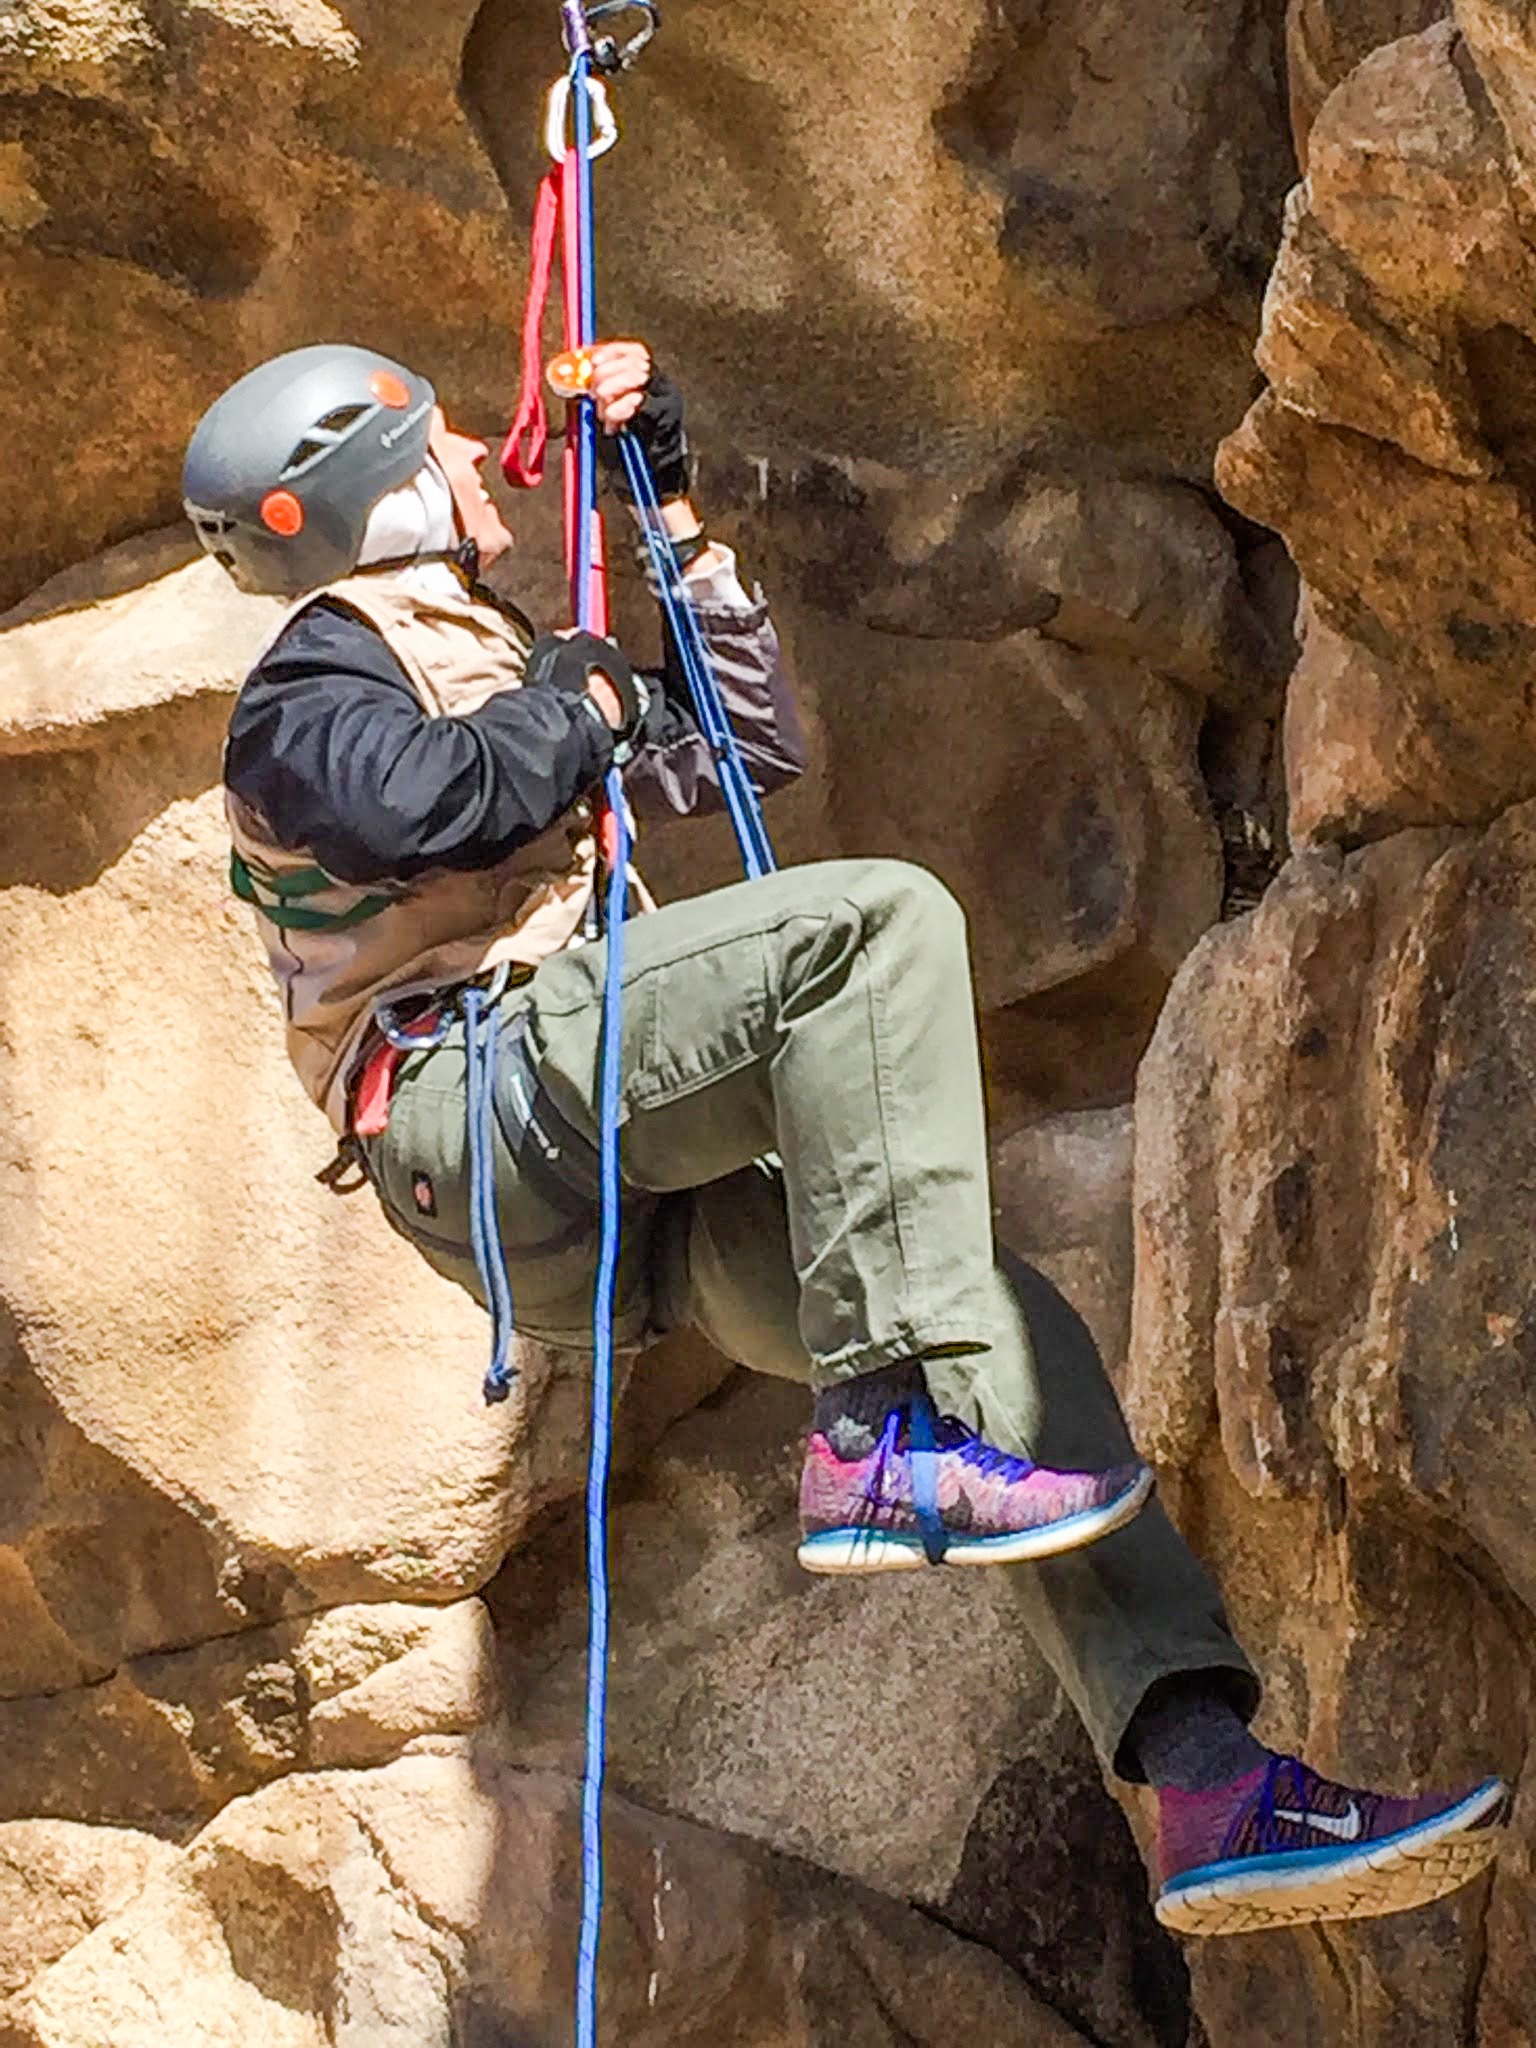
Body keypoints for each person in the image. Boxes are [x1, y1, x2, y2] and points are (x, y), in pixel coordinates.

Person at [183, 339, 1511, 1938]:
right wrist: (580, 695)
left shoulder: (485, 655)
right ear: (377, 496)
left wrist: (661, 510)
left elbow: (743, 749)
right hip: (477, 1107)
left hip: (611, 1192)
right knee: (872, 929)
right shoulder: (309, 683)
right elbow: (417, 809)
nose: (479, 457)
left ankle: (1206, 1776)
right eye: (443, 445)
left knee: (1005, 1330)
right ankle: (888, 1438)